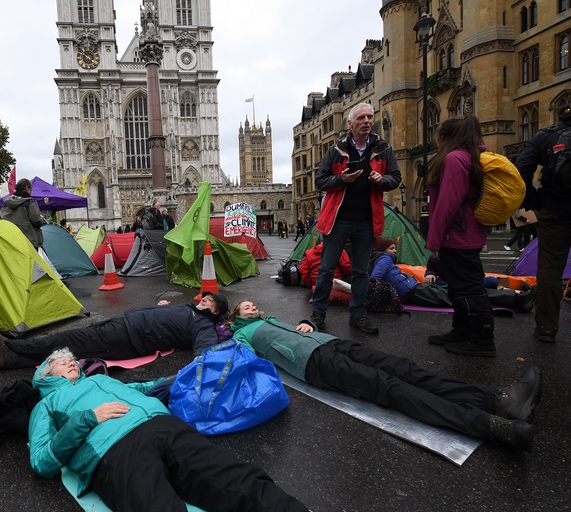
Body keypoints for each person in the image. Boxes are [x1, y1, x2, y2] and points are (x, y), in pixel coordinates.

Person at [228, 300, 541, 451]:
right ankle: (494, 427)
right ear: (235, 318)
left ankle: (499, 400)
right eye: (245, 307)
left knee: (405, 370)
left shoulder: (268, 319)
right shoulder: (241, 335)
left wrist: (307, 322)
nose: (252, 306)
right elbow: (243, 361)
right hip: (314, 365)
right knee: (391, 388)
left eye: (252, 303)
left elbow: (294, 329)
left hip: (330, 344)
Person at [28, 348, 309, 512]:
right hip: (114, 450)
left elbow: (139, 387)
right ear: (44, 374)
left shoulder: (100, 380)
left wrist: (175, 380)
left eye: (71, 359)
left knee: (240, 480)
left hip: (164, 425)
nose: (70, 362)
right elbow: (42, 461)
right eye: (61, 361)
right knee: (156, 505)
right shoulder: (47, 405)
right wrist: (87, 418)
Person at [310, 102, 402, 335]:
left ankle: (358, 315)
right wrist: (341, 179)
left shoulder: (383, 149)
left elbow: (396, 178)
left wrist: (382, 180)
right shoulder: (336, 149)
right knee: (326, 269)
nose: (367, 121)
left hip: (366, 220)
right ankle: (318, 313)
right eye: (361, 118)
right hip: (337, 220)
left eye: (370, 117)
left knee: (361, 271)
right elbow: (320, 181)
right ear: (350, 123)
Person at [0, 291, 229, 371]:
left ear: (216, 312)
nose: (204, 300)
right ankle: (9, 360)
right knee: (74, 347)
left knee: (70, 338)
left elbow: (204, 351)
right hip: (123, 324)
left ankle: (12, 345)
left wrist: (201, 364)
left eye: (210, 302)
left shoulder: (202, 323)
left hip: (130, 338)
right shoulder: (188, 308)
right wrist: (159, 307)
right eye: (204, 298)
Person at [426, 116, 496, 357]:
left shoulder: (455, 158)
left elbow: (447, 202)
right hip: (462, 234)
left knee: (470, 289)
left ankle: (482, 339)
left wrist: (434, 240)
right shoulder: (466, 156)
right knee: (458, 287)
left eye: (437, 134)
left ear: (445, 136)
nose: (435, 139)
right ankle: (461, 330)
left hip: (458, 235)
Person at [515, 106, 571, 343]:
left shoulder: (546, 135)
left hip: (555, 208)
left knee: (550, 267)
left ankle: (547, 326)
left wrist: (534, 201)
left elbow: (520, 171)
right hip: (554, 206)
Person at [371, 238, 537, 314]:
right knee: (468, 294)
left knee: (478, 287)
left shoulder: (386, 260)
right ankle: (516, 297)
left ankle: (517, 293)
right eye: (391, 248)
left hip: (421, 288)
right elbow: (374, 279)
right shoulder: (385, 259)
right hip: (418, 290)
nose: (394, 251)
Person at [300, 240, 352, 306]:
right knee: (356, 297)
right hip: (335, 284)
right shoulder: (339, 251)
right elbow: (347, 268)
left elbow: (304, 272)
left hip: (317, 286)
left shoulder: (309, 253)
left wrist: (311, 284)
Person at [0, 178, 43, 250]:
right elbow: (37, 222)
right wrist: (42, 219)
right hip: (28, 242)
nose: (31, 192)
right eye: (31, 190)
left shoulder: (6, 203)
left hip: (10, 241)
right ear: (27, 188)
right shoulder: (30, 203)